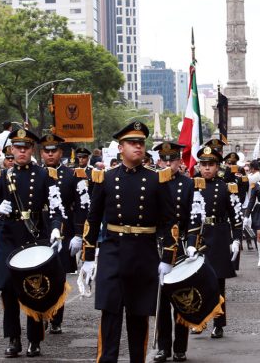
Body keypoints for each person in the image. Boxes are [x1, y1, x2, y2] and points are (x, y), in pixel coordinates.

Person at [78, 122, 177, 363]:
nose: (138, 147)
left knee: (138, 317)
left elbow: (169, 222)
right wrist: (88, 258)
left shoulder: (157, 180)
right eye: (132, 143)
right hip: (113, 253)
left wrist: (167, 258)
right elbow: (93, 218)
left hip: (143, 255)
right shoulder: (106, 179)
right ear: (121, 148)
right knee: (110, 315)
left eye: (141, 143)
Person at [0, 129, 64, 357]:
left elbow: (56, 207)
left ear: (32, 150)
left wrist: (56, 228)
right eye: (17, 148)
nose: (21, 151)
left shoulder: (45, 175)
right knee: (8, 291)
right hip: (9, 237)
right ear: (11, 150)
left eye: (26, 147)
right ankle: (13, 338)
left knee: (34, 288)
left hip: (34, 236)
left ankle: (35, 339)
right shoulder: (1, 177)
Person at [185, 146, 243, 338]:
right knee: (196, 282)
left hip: (218, 235)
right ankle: (199, 321)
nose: (207, 168)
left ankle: (218, 323)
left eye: (211, 165)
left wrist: (236, 239)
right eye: (203, 165)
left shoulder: (226, 187)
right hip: (199, 235)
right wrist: (190, 241)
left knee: (218, 284)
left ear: (218, 167)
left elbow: (236, 217)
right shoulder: (191, 185)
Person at [40, 134, 90, 334]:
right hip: (38, 230)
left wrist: (79, 233)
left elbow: (83, 206)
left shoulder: (73, 175)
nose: (50, 154)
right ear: (41, 153)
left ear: (61, 152)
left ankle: (56, 316)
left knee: (58, 277)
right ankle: (41, 314)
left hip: (64, 232)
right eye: (46, 150)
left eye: (54, 150)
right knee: (38, 276)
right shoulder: (35, 173)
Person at [152, 141, 197, 363]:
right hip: (158, 245)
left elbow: (193, 218)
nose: (169, 163)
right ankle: (163, 347)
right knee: (161, 301)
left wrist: (191, 242)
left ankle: (180, 347)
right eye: (165, 159)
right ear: (159, 161)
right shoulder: (151, 182)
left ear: (180, 161)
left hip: (179, 247)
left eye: (173, 159)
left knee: (181, 298)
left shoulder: (188, 184)